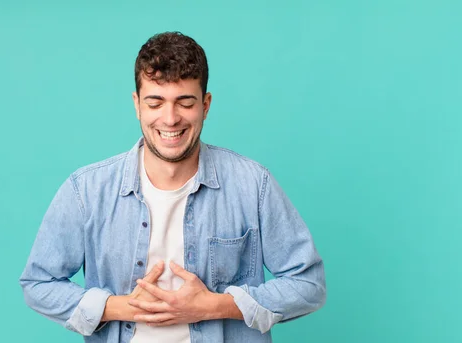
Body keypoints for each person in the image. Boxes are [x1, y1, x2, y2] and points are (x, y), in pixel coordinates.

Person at [19, 31, 326, 343]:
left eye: (185, 102)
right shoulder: (86, 191)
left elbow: (308, 284)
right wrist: (120, 308)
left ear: (205, 105)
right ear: (137, 104)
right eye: (155, 102)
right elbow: (39, 283)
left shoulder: (253, 185)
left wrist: (215, 306)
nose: (170, 118)